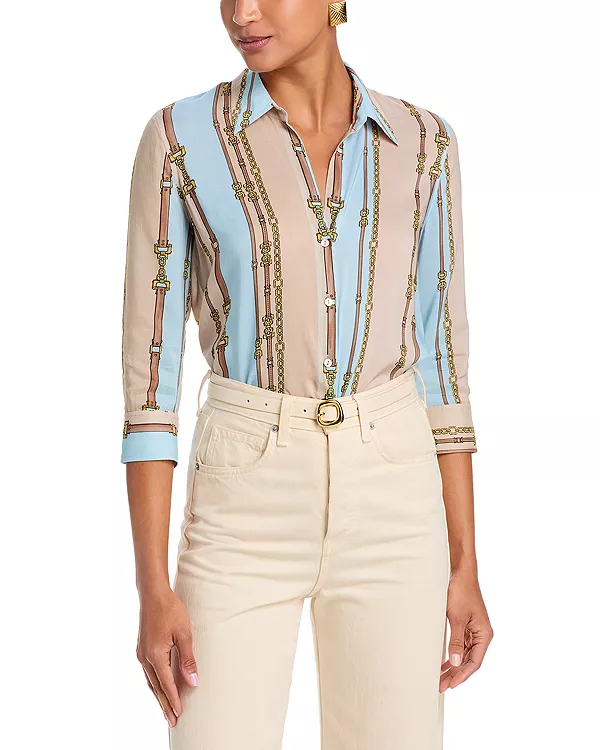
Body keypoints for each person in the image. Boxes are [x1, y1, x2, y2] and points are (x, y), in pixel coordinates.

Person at [120, 1, 493, 747]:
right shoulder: (180, 139)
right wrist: (152, 586)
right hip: (242, 498)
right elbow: (150, 383)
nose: (242, 13)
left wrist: (465, 564)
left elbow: (443, 366)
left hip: (395, 498)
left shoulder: (424, 144)